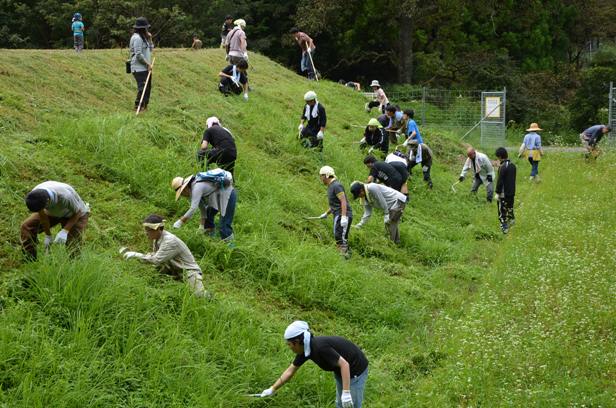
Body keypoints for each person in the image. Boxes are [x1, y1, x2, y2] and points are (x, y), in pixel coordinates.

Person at [259, 321, 368, 408]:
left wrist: (346, 392)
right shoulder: (306, 350)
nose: (289, 347)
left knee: (351, 404)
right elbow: (290, 371)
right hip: (341, 371)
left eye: (289, 344)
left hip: (355, 370)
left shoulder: (320, 347)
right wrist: (272, 389)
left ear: (297, 342)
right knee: (341, 404)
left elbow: (344, 365)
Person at [119, 215, 207, 297]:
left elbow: (156, 260)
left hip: (189, 272)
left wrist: (136, 255)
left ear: (157, 229)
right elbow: (156, 256)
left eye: (148, 230)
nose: (146, 233)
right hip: (173, 269)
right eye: (145, 230)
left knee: (199, 295)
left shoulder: (169, 241)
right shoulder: (157, 239)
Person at [20, 181, 89, 260]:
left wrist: (65, 231)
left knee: (73, 243)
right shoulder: (35, 196)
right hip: (52, 212)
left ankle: (75, 265)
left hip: (74, 214)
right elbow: (43, 216)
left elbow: (78, 212)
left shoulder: (65, 196)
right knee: (27, 227)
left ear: (47, 201)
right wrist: (48, 235)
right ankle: (30, 259)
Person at [171, 170, 237, 244]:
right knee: (208, 215)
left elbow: (193, 208)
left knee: (224, 225)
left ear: (185, 188)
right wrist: (201, 226)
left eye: (181, 193)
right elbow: (202, 208)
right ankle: (211, 238)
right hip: (218, 197)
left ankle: (231, 247)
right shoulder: (193, 189)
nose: (182, 195)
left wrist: (180, 222)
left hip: (228, 195)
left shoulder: (196, 188)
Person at [314, 166, 352, 256]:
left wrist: (343, 216)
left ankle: (344, 257)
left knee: (340, 237)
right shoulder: (330, 186)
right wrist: (326, 213)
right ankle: (344, 255)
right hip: (337, 214)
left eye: (321, 176)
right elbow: (335, 204)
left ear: (326, 175)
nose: (321, 178)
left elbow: (343, 201)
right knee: (338, 235)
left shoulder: (336, 185)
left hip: (343, 214)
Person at [129, 17, 154, 112]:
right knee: (142, 88)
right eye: (146, 28)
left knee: (147, 88)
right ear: (142, 29)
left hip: (146, 67)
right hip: (139, 68)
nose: (147, 30)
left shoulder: (144, 38)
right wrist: (148, 64)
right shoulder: (137, 38)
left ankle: (144, 107)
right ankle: (137, 107)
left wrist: (150, 39)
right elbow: (138, 54)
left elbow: (151, 49)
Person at [495, 147, 516, 234]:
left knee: (502, 210)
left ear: (500, 156)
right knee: (510, 207)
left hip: (503, 193)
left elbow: (500, 181)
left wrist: (497, 192)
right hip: (512, 192)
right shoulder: (513, 165)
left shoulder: (502, 167)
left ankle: (504, 228)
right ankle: (511, 219)